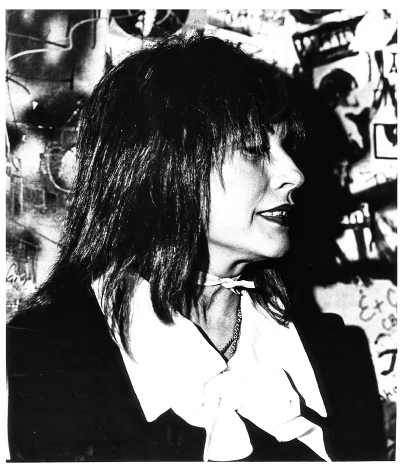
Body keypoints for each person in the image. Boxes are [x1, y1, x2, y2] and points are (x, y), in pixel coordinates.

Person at [7, 33, 385, 462]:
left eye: (288, 148)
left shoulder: (335, 355)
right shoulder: (40, 357)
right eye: (254, 148)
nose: (294, 174)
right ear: (161, 164)